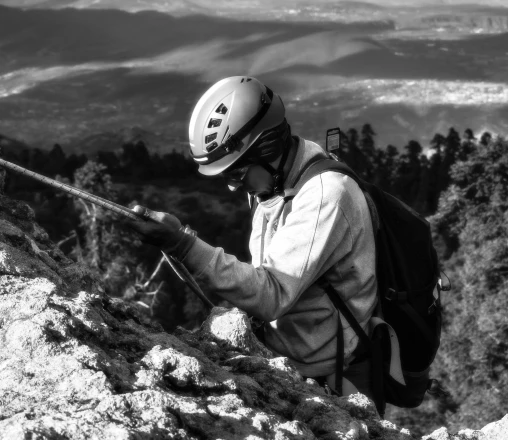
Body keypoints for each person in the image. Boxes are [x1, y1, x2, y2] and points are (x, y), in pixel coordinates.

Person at [128, 76, 378, 400]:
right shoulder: (279, 179)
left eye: (235, 173)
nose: (232, 187)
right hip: (295, 354)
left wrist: (182, 245)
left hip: (329, 377)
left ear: (267, 147)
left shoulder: (324, 196)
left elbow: (271, 294)